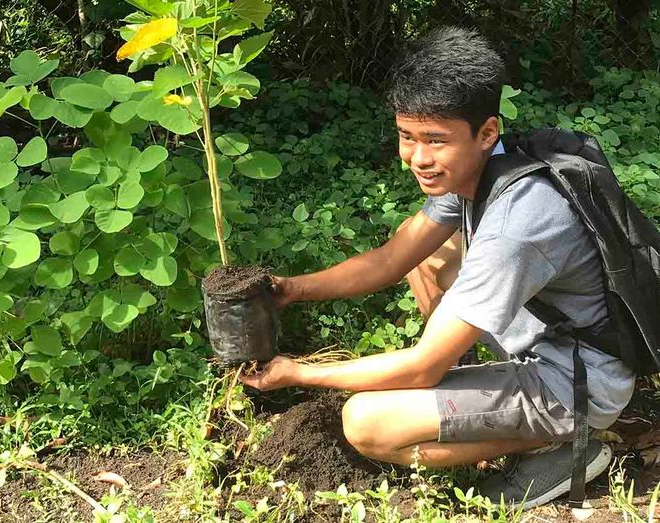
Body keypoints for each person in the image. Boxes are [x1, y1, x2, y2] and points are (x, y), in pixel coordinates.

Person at [238, 26, 634, 508]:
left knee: (367, 422)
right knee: (426, 251)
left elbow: (424, 366)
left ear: (487, 132)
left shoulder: (518, 223)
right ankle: (473, 388)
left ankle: (564, 442)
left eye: (435, 140)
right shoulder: (483, 167)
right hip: (549, 339)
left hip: (577, 383)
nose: (417, 158)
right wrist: (292, 289)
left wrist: (297, 373)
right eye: (407, 136)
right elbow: (392, 257)